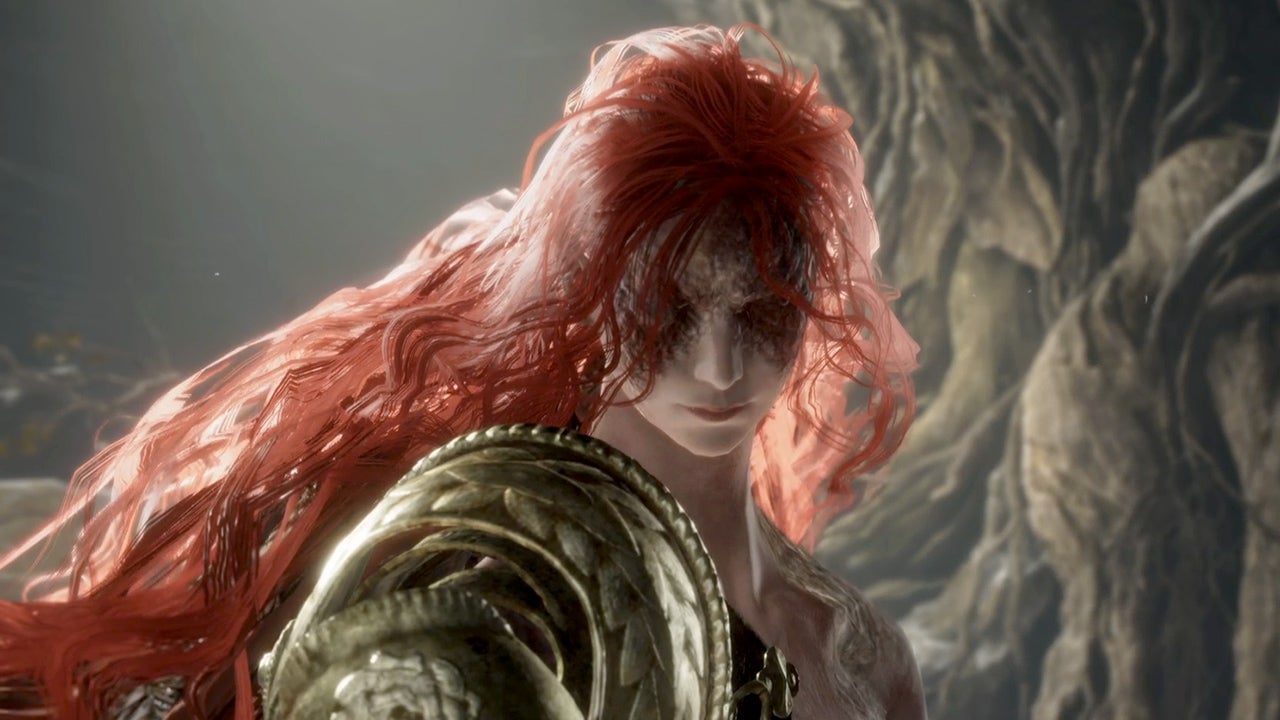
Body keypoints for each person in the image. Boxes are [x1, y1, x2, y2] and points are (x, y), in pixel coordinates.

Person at [0, 23, 924, 719]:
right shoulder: (454, 563)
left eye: (760, 310)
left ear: (812, 305)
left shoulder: (865, 657)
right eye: (667, 310)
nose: (717, 365)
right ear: (589, 288)